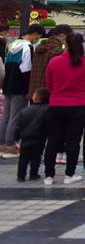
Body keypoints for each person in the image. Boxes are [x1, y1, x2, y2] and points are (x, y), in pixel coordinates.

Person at [43, 30, 85, 185]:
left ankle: (49, 175)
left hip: (56, 104)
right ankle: (69, 174)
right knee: (73, 141)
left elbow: (49, 84)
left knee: (52, 141)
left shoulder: (54, 61)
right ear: (81, 45)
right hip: (78, 104)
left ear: (65, 44)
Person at [0, 24, 43, 159]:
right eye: (38, 36)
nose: (37, 38)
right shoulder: (28, 47)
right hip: (20, 86)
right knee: (15, 116)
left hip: (8, 84)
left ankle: (2, 144)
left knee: (6, 115)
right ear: (34, 34)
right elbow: (26, 69)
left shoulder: (13, 45)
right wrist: (28, 89)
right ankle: (10, 146)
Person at [14, 87, 49, 181]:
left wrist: (16, 137)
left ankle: (21, 176)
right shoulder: (47, 109)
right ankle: (33, 174)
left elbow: (18, 125)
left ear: (35, 98)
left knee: (23, 158)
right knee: (36, 157)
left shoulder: (25, 111)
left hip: (25, 138)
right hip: (39, 137)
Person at [29, 26, 67, 98]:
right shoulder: (58, 51)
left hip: (34, 90)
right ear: (62, 36)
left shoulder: (40, 46)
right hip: (47, 92)